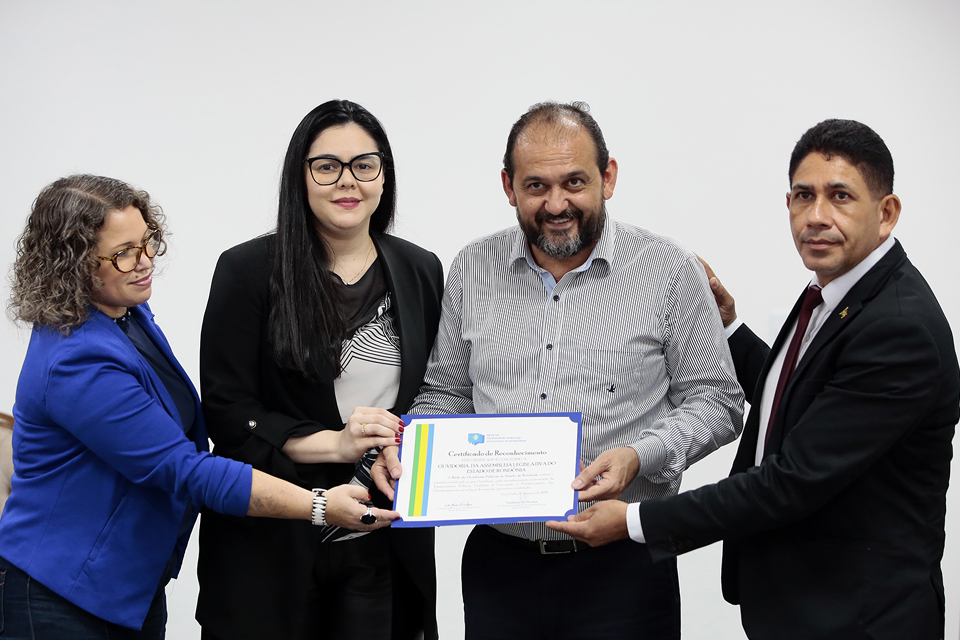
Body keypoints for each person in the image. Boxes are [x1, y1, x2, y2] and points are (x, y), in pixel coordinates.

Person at [548, 119, 960, 639]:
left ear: (886, 213)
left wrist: (633, 521)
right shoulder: (836, 294)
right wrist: (730, 328)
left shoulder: (899, 328)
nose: (817, 217)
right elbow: (802, 398)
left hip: (859, 616)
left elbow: (789, 481)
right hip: (804, 606)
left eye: (840, 197)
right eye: (803, 196)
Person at [375, 101, 743, 640]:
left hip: (625, 565)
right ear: (508, 186)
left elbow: (717, 400)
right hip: (500, 567)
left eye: (574, 181)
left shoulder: (670, 270)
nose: (556, 203)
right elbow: (446, 394)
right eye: (535, 186)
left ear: (608, 177)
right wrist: (415, 449)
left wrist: (639, 456)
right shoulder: (471, 269)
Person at [0, 174, 394, 639]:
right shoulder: (76, 359)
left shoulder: (125, 316)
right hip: (61, 594)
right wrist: (319, 505)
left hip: (129, 584)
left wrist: (328, 445)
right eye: (122, 253)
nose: (145, 262)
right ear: (71, 264)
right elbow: (182, 468)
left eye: (147, 242)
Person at [197, 100, 443, 640]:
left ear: (385, 176)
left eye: (364, 165)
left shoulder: (421, 269)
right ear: (300, 177)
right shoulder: (247, 270)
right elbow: (227, 412)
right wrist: (335, 444)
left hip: (384, 536)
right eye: (326, 166)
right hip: (272, 546)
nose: (346, 181)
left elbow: (433, 393)